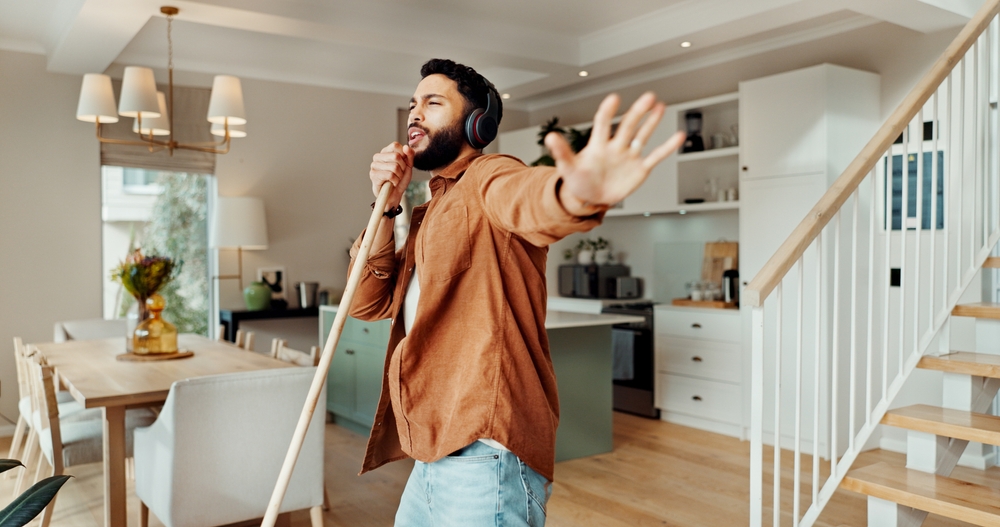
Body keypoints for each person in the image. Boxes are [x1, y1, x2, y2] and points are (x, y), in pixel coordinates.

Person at [347, 58, 684, 527]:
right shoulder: (428, 209)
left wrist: (575, 194)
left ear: (476, 123)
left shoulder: (489, 175)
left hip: (485, 451)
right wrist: (385, 204)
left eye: (433, 102)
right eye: (412, 104)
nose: (414, 114)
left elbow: (529, 197)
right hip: (430, 450)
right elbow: (365, 302)